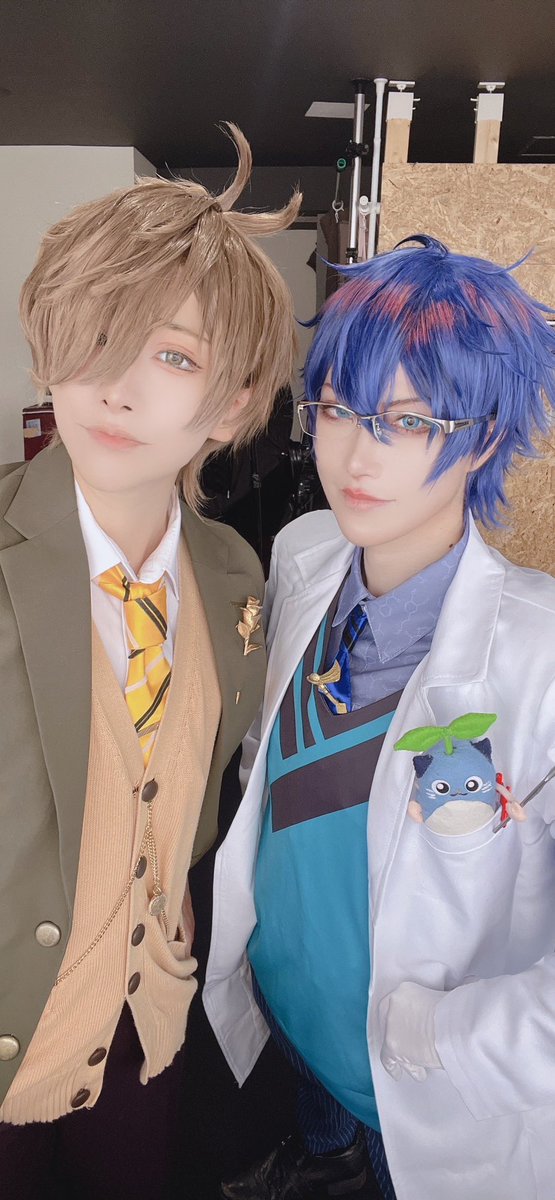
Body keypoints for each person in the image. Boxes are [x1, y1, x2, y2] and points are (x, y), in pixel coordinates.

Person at [203, 235, 555, 1200]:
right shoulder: (304, 556)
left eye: (408, 420)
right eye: (336, 409)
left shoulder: (539, 658)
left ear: (481, 436)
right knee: (323, 1122)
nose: (355, 456)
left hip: (427, 1080)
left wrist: (433, 1036)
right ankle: (326, 1153)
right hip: (294, 1005)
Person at [0, 125, 300, 1199]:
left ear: (233, 403)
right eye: (95, 336)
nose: (115, 387)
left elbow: (205, 780)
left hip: (148, 1030)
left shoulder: (235, 576)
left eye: (171, 355)